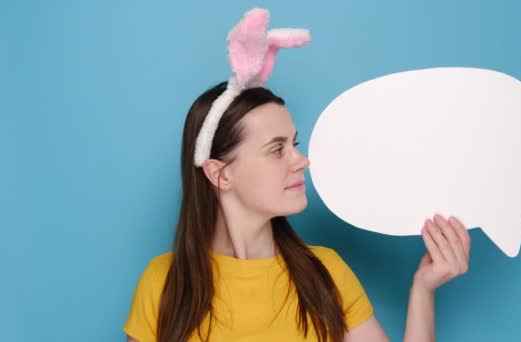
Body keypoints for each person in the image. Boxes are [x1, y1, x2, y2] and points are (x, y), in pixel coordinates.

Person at [123, 8, 471, 342]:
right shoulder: (163, 284)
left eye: (294, 144)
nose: (301, 161)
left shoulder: (325, 273)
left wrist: (423, 290)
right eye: (277, 149)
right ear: (220, 174)